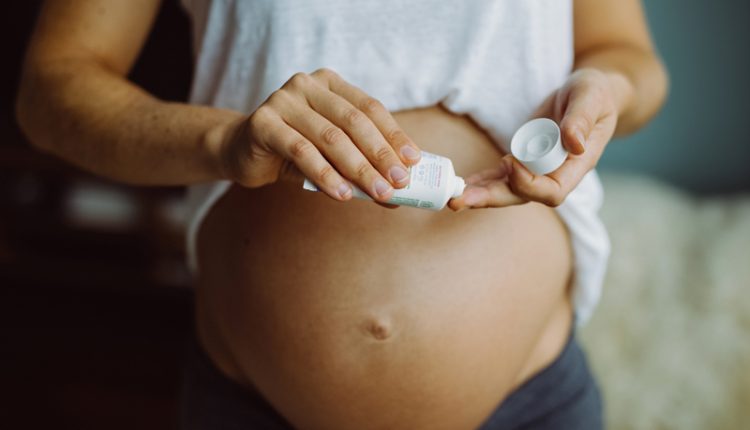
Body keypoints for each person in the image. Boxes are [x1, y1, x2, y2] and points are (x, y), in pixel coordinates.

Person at [16, 0, 668, 428]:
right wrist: (224, 139)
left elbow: (628, 56)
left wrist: (609, 89)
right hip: (252, 405)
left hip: (528, 403)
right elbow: (50, 92)